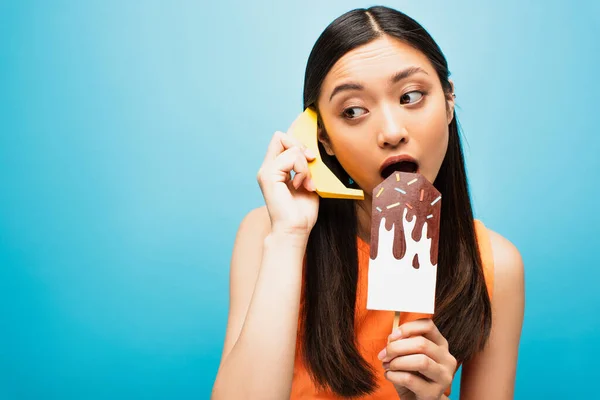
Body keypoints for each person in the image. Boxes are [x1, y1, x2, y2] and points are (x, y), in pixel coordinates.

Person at [211, 5, 524, 400]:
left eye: (411, 96)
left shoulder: (496, 265)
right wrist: (290, 236)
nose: (392, 132)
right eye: (354, 111)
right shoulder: (267, 235)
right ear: (321, 137)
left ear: (448, 101)